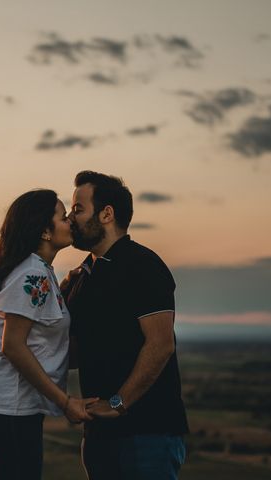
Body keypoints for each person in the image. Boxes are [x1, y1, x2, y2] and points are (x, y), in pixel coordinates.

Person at [62, 171, 189, 480]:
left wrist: (118, 404)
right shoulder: (82, 277)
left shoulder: (142, 265)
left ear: (107, 214)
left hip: (148, 433)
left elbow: (160, 344)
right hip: (99, 435)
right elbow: (76, 355)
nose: (69, 217)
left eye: (78, 209)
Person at [0, 189, 97, 480]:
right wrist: (65, 402)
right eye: (63, 217)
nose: (71, 222)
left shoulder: (40, 271)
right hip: (9, 407)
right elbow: (13, 346)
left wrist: (64, 287)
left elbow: (37, 319)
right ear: (45, 231)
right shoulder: (33, 274)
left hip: (8, 405)